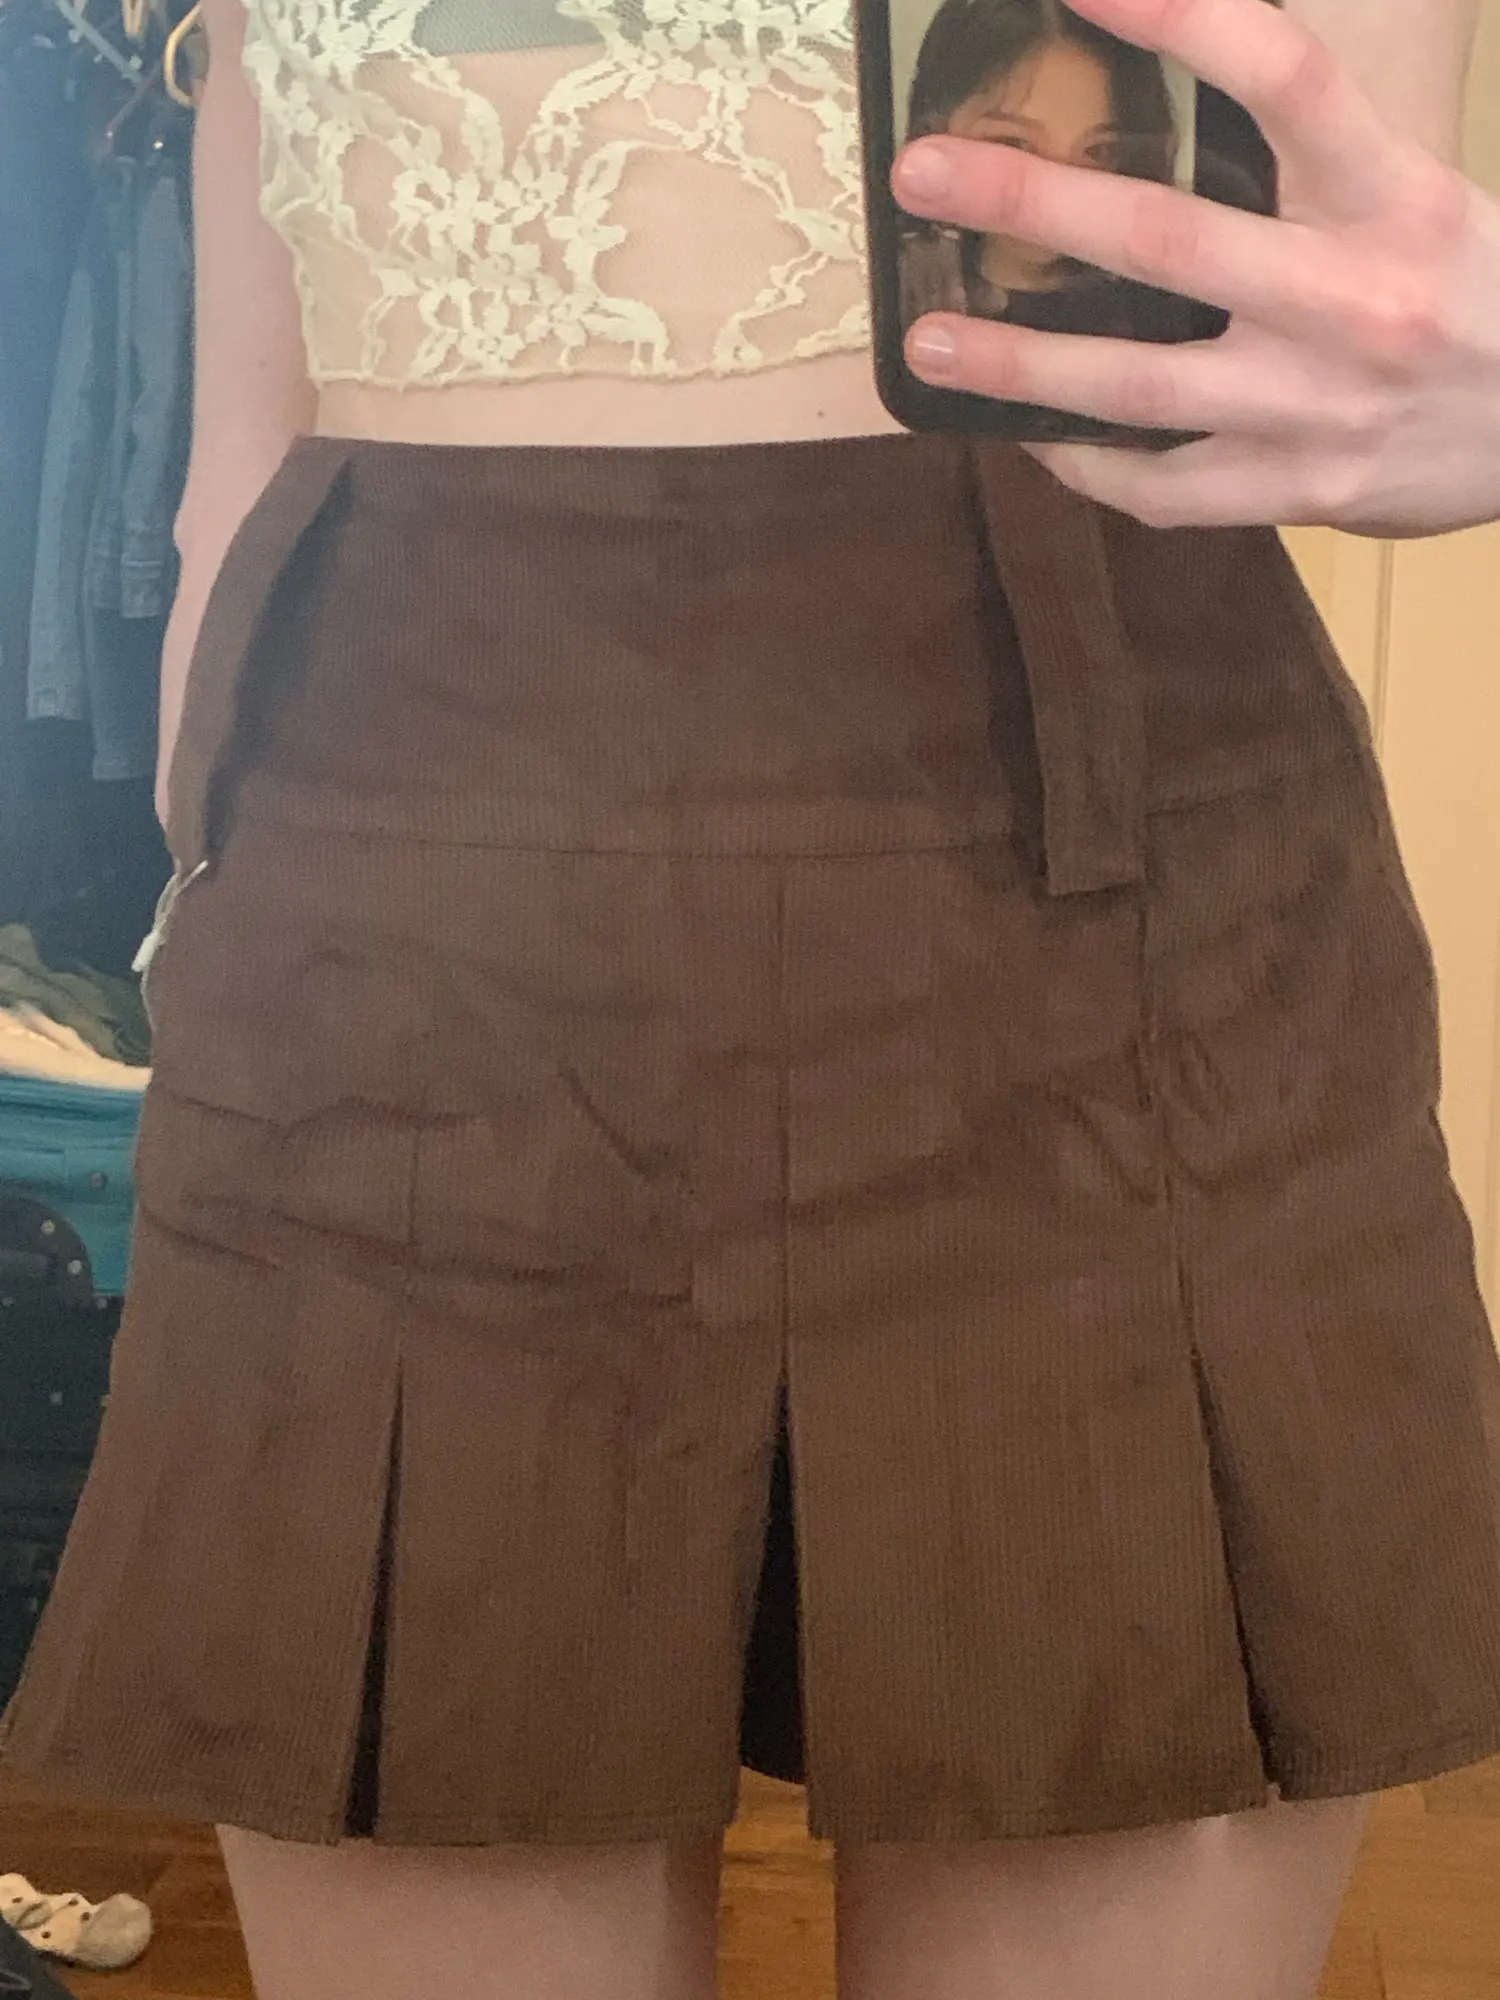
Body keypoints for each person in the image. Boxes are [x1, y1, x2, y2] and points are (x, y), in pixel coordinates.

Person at [2, 2, 1499, 1999]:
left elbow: (1372, 259)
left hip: (1107, 911)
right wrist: (219, 875)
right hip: (394, 905)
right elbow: (249, 416)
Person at [894, 0, 1500, 535]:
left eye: (1101, 150)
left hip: (1172, 589)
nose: (1059, 181)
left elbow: (1387, 378)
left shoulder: (1157, 307)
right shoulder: (923, 273)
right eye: (1012, 144)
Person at [898, 0, 1198, 342]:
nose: (1056, 196)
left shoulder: (1174, 298)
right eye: (1013, 143)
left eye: (1098, 151)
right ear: (934, 132)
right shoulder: (897, 283)